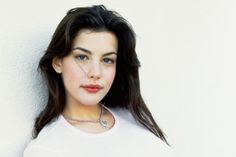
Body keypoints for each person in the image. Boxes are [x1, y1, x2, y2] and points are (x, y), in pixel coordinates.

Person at [23, 5, 173, 157]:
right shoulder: (46, 149)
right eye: (82, 57)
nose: (95, 73)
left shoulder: (131, 115)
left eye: (107, 60)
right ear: (58, 62)